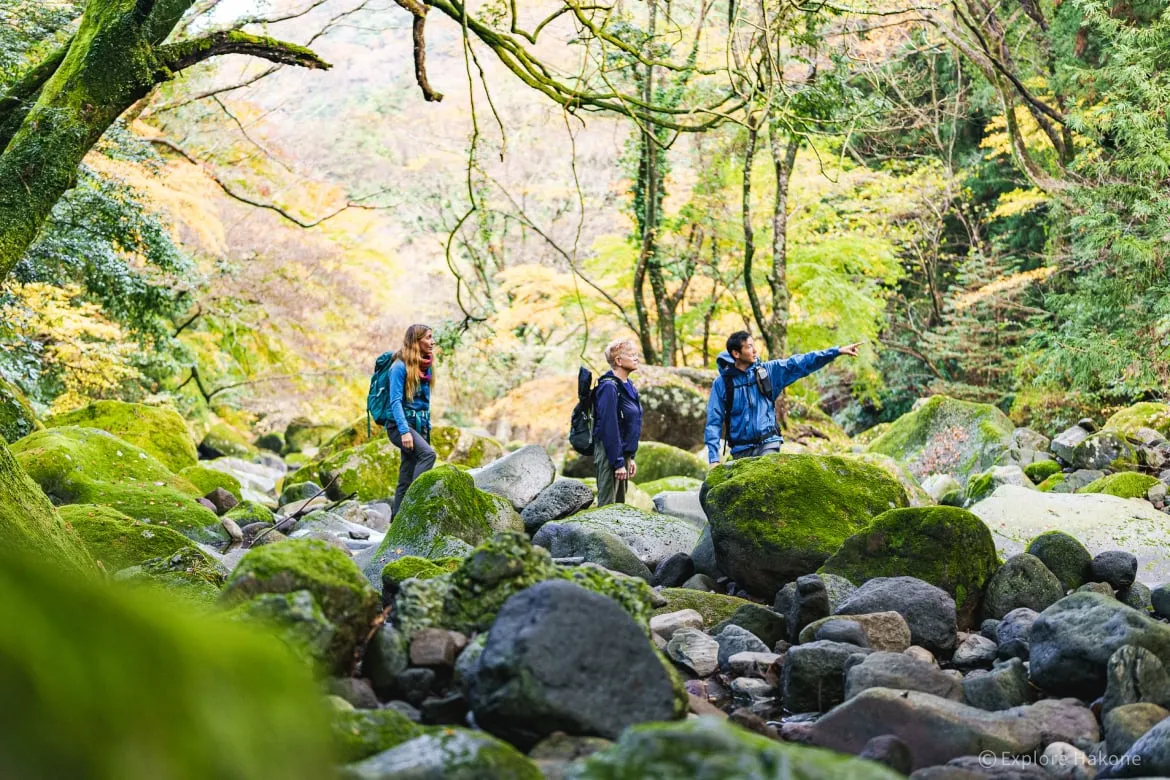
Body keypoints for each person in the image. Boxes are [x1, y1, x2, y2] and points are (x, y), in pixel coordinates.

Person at [704, 331, 860, 463]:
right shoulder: (722, 384)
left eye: (754, 345)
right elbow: (713, 421)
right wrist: (714, 459)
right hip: (740, 450)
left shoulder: (769, 371)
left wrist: (836, 352)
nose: (755, 351)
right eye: (749, 346)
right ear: (736, 353)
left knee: (766, 478)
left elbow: (801, 362)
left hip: (768, 444)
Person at [386, 324, 437, 514]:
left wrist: (426, 426)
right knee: (428, 455)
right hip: (399, 425)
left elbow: (424, 403)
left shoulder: (426, 366)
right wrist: (404, 431)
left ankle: (396, 520)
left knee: (406, 475)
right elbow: (395, 402)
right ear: (416, 341)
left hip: (418, 425)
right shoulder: (399, 367)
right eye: (428, 337)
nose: (432, 342)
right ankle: (413, 507)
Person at [593, 338, 644, 506]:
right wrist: (618, 463)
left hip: (623, 454)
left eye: (636, 354)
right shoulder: (609, 387)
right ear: (618, 361)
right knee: (608, 506)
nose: (636, 357)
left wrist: (631, 457)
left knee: (620, 506)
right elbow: (609, 427)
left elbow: (631, 423)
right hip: (610, 454)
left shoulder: (629, 385)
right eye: (632, 354)